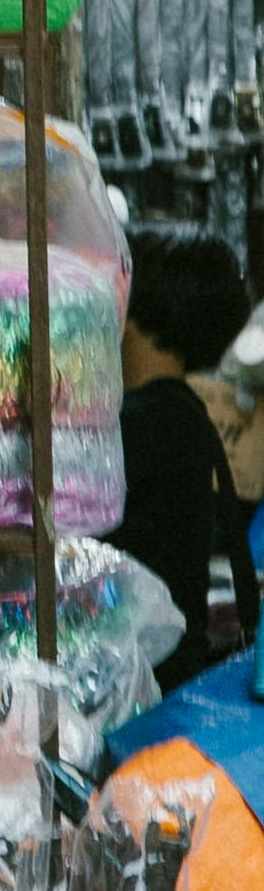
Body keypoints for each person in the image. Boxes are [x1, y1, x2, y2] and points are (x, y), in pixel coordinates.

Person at [117, 232, 257, 679]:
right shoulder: (178, 411)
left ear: (135, 304)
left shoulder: (152, 420)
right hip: (167, 666)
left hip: (150, 677)